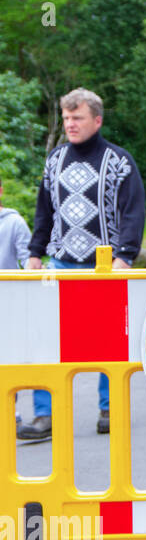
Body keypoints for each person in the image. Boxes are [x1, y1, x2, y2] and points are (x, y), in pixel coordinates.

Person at [20, 88, 145, 441]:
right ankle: (45, 415)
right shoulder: (54, 160)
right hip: (59, 264)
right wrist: (34, 253)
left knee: (108, 341)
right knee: (47, 339)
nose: (70, 124)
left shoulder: (119, 161)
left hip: (105, 266)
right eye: (66, 118)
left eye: (78, 118)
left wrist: (125, 256)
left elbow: (133, 211)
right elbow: (44, 211)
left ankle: (110, 408)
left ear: (97, 120)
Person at [0, 176, 33, 432]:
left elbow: (28, 260)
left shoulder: (13, 222)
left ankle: (11, 410)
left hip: (6, 300)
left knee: (6, 359)